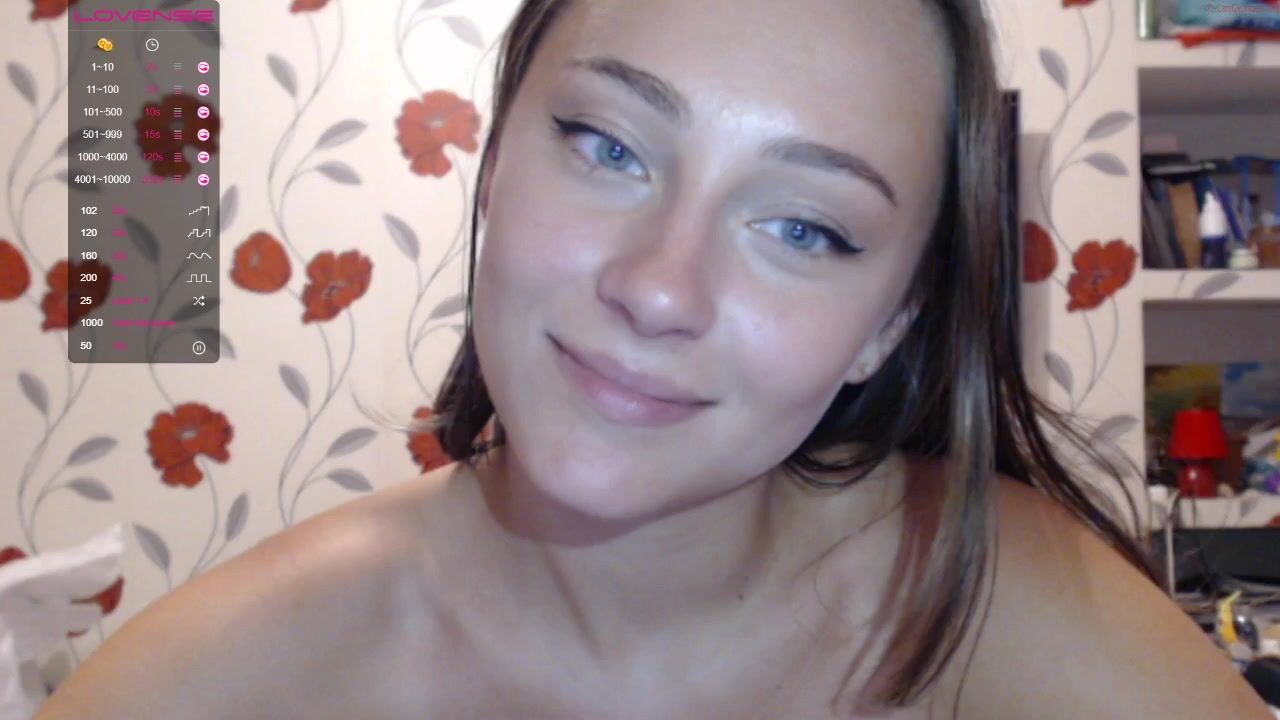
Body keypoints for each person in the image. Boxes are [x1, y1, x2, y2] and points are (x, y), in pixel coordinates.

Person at [35, 0, 1275, 718]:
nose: (658, 288)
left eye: (803, 228)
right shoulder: (216, 679)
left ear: (890, 324)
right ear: (495, 161)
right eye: (608, 146)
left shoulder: (997, 602)